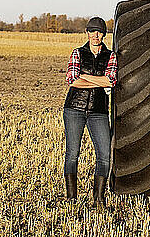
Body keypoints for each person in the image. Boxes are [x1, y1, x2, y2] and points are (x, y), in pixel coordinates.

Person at [63, 16, 117, 207]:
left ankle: (99, 200)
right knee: (72, 153)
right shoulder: (77, 53)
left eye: (99, 31)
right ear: (87, 32)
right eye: (92, 31)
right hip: (74, 109)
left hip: (98, 111)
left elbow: (111, 81)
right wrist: (98, 80)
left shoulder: (111, 56)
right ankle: (71, 198)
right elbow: (72, 80)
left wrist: (84, 76)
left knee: (104, 155)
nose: (95, 35)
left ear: (103, 34)